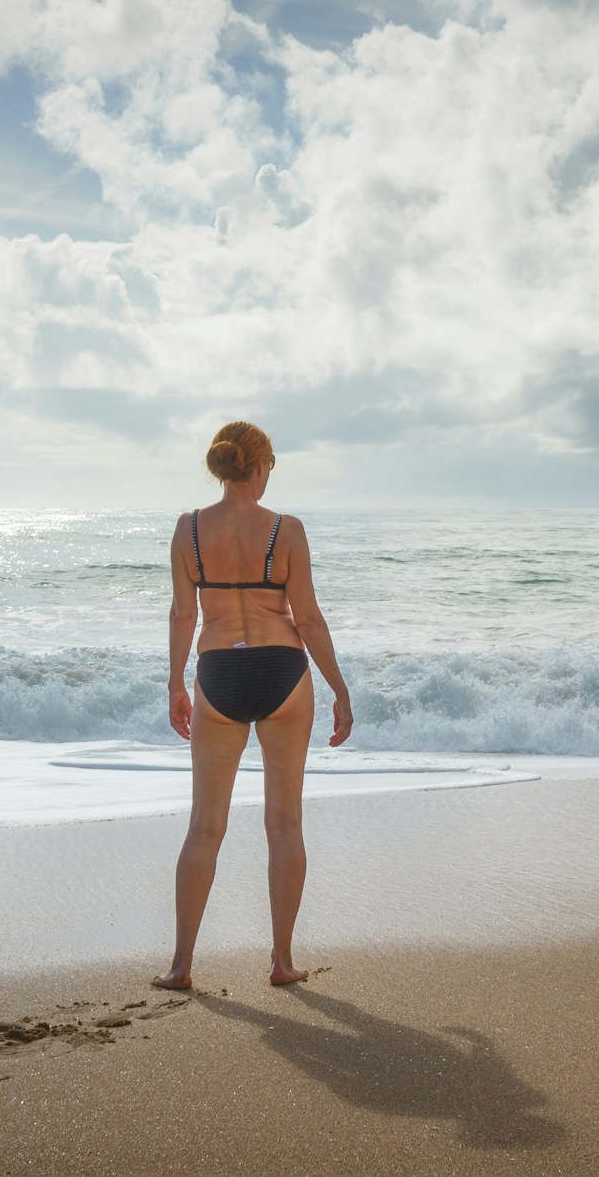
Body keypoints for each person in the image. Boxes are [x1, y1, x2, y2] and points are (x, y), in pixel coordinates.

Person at [155, 421, 353, 989]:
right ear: (260, 464)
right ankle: (282, 963)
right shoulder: (285, 530)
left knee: (204, 827)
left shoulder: (189, 529)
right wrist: (339, 688)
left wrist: (175, 682)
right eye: (272, 465)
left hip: (218, 673)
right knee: (285, 823)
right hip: (282, 674)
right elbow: (308, 618)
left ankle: (181, 966)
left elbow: (182, 616)